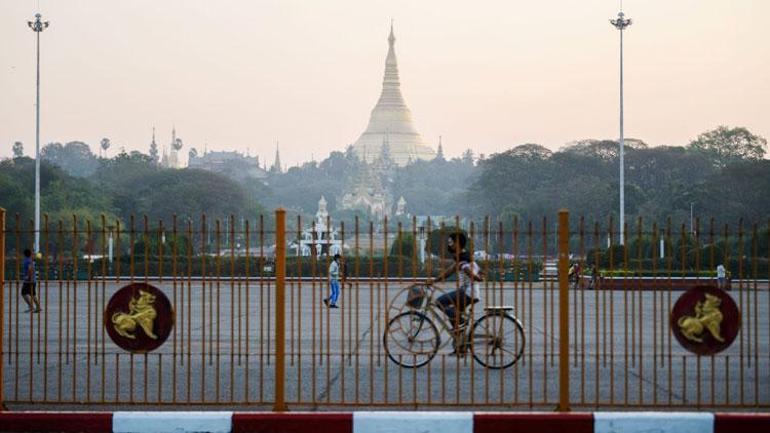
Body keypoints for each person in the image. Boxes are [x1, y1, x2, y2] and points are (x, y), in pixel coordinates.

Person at [427, 232, 483, 354]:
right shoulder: (464, 256)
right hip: (470, 292)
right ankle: (460, 347)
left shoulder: (463, 259)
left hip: (467, 293)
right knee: (455, 320)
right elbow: (449, 272)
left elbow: (467, 271)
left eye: (451, 242)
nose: (449, 244)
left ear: (457, 244)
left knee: (439, 302)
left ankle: (461, 323)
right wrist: (434, 281)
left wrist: (476, 277)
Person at [21, 249, 41, 313]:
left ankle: (31, 306)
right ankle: (37, 307)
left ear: (24, 254)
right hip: (32, 280)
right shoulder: (30, 260)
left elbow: (30, 269)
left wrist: (28, 277)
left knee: (23, 293)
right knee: (32, 294)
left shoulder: (27, 261)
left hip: (29, 280)